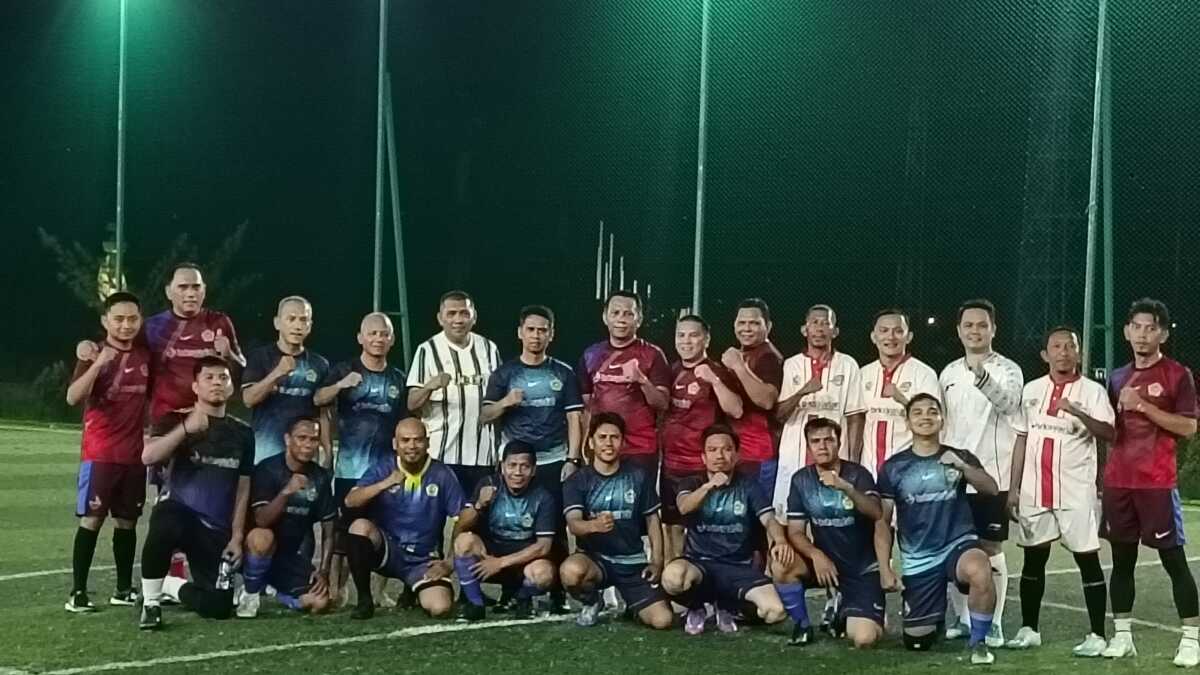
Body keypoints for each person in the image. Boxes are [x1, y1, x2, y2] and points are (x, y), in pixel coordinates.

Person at [1100, 298, 1199, 666]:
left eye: (1151, 327)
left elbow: (1188, 427)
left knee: (1174, 560)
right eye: (1137, 327)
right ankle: (1122, 636)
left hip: (1157, 483)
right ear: (1126, 331)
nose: (1143, 334)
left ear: (1164, 333)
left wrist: (1142, 406)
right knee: (1122, 561)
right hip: (1119, 483)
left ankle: (1191, 639)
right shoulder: (1116, 377)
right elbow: (1109, 430)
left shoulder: (1177, 374)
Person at [1005, 326, 1113, 656]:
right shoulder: (1031, 390)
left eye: (1070, 347)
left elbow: (1108, 433)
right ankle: (1029, 628)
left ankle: (1097, 634)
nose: (1063, 352)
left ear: (1079, 354)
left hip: (1075, 491)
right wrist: (1013, 488)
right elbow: (1021, 439)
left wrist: (1077, 411)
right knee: (1033, 558)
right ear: (1045, 354)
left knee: (1087, 560)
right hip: (1036, 491)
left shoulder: (1093, 391)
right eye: (1057, 346)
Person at [876, 393, 1000, 665]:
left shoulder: (959, 456)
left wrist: (962, 466)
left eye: (932, 411)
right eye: (918, 412)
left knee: (979, 568)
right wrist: (885, 567)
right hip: (919, 557)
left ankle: (978, 642)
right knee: (917, 642)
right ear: (907, 422)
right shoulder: (894, 467)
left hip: (958, 543)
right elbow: (882, 521)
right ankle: (934, 619)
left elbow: (990, 489)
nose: (926, 417)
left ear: (942, 419)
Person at [137, 357, 254, 629]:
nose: (217, 383)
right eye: (209, 378)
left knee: (219, 607)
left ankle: (168, 585)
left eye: (223, 378)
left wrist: (237, 536)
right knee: (165, 518)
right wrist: (186, 428)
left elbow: (243, 487)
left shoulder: (243, 433)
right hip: (181, 515)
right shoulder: (175, 419)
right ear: (195, 386)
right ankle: (151, 604)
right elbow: (148, 456)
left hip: (214, 529)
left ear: (230, 387)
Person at [481, 304, 583, 610]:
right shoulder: (505, 373)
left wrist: (573, 459)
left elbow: (575, 419)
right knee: (509, 526)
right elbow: (485, 415)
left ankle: (557, 595)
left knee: (557, 527)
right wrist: (505, 403)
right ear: (520, 333)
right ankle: (511, 590)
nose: (536, 336)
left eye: (542, 330)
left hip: (553, 461)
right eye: (530, 329)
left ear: (551, 334)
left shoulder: (562, 372)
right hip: (516, 465)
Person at [938, 298, 1023, 644]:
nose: (975, 330)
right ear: (958, 331)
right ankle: (960, 617)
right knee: (952, 547)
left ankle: (995, 621)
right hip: (953, 478)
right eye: (968, 325)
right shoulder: (948, 372)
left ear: (993, 329)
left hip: (992, 477)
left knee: (990, 548)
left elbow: (1011, 404)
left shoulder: (1009, 369)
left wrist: (983, 377)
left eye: (982, 325)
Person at [661, 425, 793, 636]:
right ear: (703, 457)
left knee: (774, 612)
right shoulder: (691, 482)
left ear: (736, 455)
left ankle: (728, 605)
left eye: (726, 449)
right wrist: (709, 486)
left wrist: (780, 540)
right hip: (699, 564)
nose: (719, 456)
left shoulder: (749, 485)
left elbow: (769, 519)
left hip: (738, 566)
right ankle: (697, 607)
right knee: (672, 578)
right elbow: (685, 507)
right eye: (712, 450)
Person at [313, 312, 409, 601]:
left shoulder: (398, 379)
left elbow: (403, 423)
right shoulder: (345, 370)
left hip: (383, 471)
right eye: (373, 333)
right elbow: (319, 399)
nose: (378, 339)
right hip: (349, 470)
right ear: (360, 338)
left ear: (391, 339)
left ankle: (379, 594)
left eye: (384, 334)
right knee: (345, 534)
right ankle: (338, 589)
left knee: (382, 528)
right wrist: (341, 385)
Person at [64, 292, 150, 612]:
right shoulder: (93, 353)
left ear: (139, 320)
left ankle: (123, 589)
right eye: (118, 319)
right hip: (99, 454)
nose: (126, 325)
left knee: (127, 522)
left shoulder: (145, 356)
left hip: (134, 455)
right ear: (105, 321)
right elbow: (73, 397)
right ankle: (77, 593)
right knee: (92, 520)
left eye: (132, 319)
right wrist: (97, 362)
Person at [775, 418, 885, 649]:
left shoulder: (858, 474)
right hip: (824, 564)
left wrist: (845, 487)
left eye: (828, 440)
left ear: (839, 442)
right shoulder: (801, 480)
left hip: (861, 568)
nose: (822, 446)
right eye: (815, 441)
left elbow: (876, 513)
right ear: (808, 446)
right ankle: (802, 625)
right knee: (780, 563)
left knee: (865, 639)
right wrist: (816, 555)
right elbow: (795, 532)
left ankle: (841, 608)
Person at [342, 417, 464, 620]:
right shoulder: (383, 468)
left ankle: (413, 589)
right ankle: (365, 600)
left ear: (427, 443)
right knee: (359, 527)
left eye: (417, 440)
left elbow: (463, 518)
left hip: (423, 559)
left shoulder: (442, 474)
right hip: (389, 551)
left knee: (440, 608)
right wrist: (384, 484)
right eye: (405, 440)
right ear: (395, 444)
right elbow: (350, 501)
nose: (412, 446)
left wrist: (449, 562)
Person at [559, 413, 673, 630]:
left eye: (615, 437)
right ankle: (592, 601)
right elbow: (573, 524)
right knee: (570, 572)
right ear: (591, 442)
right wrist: (593, 526)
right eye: (602, 437)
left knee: (663, 620)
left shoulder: (638, 476)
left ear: (623, 442)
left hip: (633, 563)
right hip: (596, 561)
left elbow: (652, 520)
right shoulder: (577, 480)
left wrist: (657, 561)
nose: (608, 443)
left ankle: (633, 606)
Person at [237, 416, 336, 618]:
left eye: (314, 439)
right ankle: (251, 591)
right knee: (262, 537)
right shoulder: (267, 469)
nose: (308, 445)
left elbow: (329, 528)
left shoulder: (320, 477)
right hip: (260, 550)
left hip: (291, 556)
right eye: (302, 438)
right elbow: (261, 520)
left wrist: (324, 571)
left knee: (320, 602)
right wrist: (286, 492)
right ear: (287, 439)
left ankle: (282, 596)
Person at [662, 314, 743, 559]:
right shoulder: (670, 370)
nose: (686, 341)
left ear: (706, 339)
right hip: (671, 466)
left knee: (708, 525)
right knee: (673, 526)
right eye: (681, 335)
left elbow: (736, 410)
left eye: (694, 335)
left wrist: (714, 380)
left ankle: (711, 582)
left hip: (702, 467)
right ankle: (676, 587)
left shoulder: (718, 370)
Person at [407, 290, 502, 495]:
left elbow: (499, 398)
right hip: (442, 454)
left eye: (464, 313)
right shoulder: (428, 350)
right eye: (451, 314)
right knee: (440, 519)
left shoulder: (489, 349)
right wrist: (429, 386)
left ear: (474, 317)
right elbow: (411, 403)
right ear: (440, 319)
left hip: (483, 455)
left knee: (479, 517)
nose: (458, 320)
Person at [577, 291, 671, 494]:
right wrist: (584, 447)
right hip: (603, 448)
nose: (621, 319)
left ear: (639, 319)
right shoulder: (590, 354)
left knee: (641, 510)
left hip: (640, 449)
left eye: (628, 314)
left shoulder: (652, 354)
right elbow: (587, 407)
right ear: (605, 317)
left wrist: (641, 380)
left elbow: (663, 403)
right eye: (615, 312)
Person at [774, 304, 865, 512]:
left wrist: (852, 460)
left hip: (833, 454)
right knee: (788, 514)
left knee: (832, 512)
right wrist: (802, 392)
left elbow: (855, 417)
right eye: (814, 322)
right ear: (804, 330)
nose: (820, 328)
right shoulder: (791, 365)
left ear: (835, 331)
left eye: (826, 323)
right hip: (795, 453)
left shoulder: (848, 364)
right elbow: (779, 415)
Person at [452, 442, 558, 620]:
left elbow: (543, 547)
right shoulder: (488, 485)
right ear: (502, 467)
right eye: (512, 466)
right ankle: (475, 604)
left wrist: (500, 563)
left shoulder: (544, 497)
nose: (517, 472)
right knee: (464, 542)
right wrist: (479, 505)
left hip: (522, 563)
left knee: (544, 573)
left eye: (524, 466)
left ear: (533, 470)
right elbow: (461, 525)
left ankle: (522, 598)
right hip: (488, 557)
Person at [243, 296, 331, 467]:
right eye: (291, 319)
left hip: (304, 454)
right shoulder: (260, 357)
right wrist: (277, 373)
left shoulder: (320, 364)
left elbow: (323, 413)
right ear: (277, 323)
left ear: (310, 326)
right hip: (265, 451)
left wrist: (327, 451)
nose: (297, 326)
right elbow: (248, 399)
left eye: (303, 320)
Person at [858, 308, 941, 479]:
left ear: (909, 336)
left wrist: (903, 400)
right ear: (873, 337)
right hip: (869, 470)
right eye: (884, 331)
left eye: (898, 331)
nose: (890, 337)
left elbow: (934, 423)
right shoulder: (863, 374)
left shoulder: (924, 373)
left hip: (910, 471)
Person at [721, 298, 785, 501]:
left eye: (754, 323)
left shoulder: (768, 357)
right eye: (742, 323)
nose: (747, 328)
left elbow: (766, 400)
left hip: (759, 454)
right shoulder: (743, 353)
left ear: (769, 326)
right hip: (740, 452)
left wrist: (739, 367)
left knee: (759, 518)